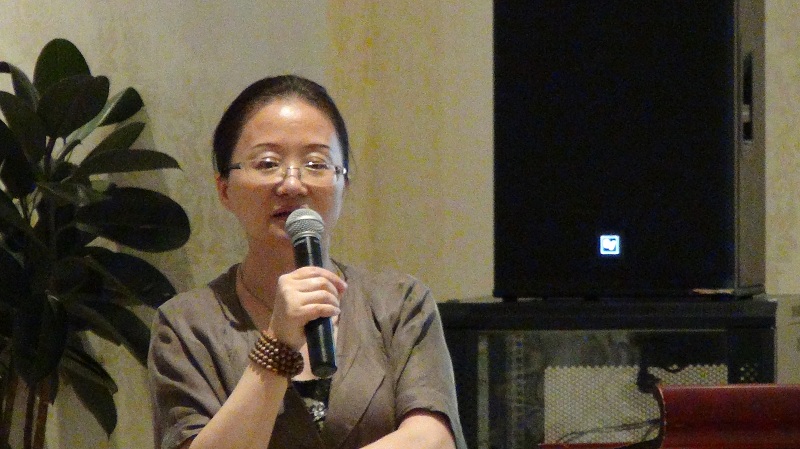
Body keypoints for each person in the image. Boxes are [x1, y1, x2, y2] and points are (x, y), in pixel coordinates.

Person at [147, 75, 466, 449]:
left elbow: (433, 438)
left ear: (343, 184)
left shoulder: (399, 304)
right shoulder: (185, 326)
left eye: (316, 164)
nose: (292, 184)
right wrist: (278, 342)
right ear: (225, 189)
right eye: (268, 163)